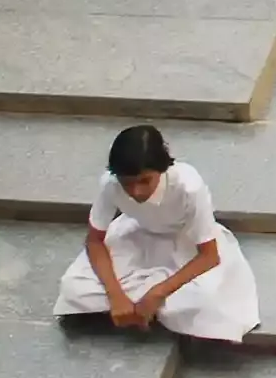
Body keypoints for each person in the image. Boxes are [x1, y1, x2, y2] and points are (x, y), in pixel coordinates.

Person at [53, 124, 259, 342]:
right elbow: (95, 241)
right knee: (73, 286)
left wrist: (157, 293)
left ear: (161, 170)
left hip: (186, 241)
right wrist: (116, 295)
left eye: (144, 181)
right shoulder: (110, 184)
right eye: (128, 184)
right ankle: (136, 308)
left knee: (205, 298)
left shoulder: (189, 186)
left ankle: (146, 306)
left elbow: (209, 256)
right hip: (136, 235)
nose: (136, 192)